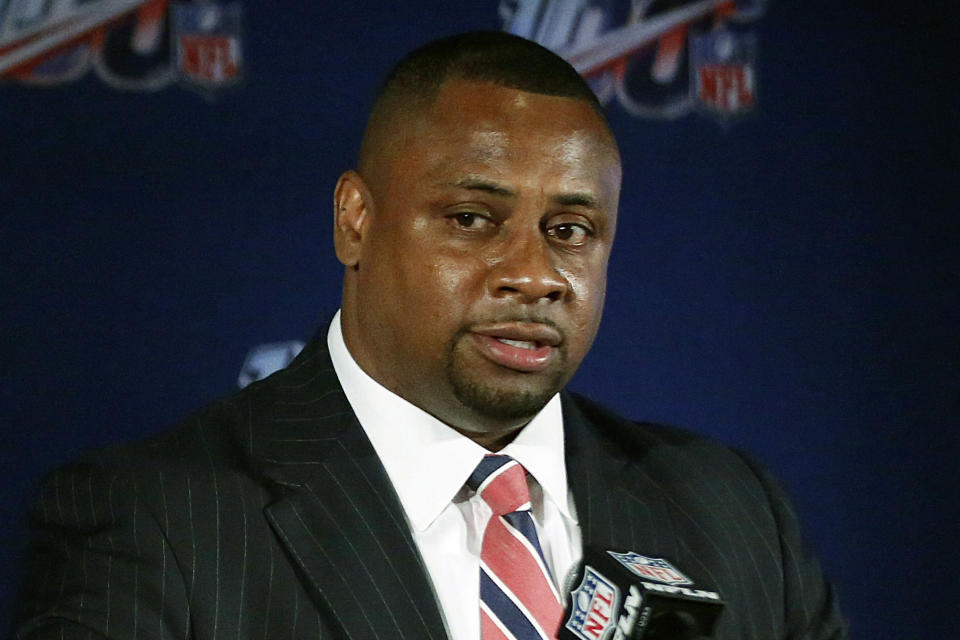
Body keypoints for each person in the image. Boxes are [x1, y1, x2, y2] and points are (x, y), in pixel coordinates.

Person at [13, 32, 847, 640]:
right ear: (356, 222)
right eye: (473, 219)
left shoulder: (734, 513)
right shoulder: (158, 519)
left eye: (570, 230)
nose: (534, 273)